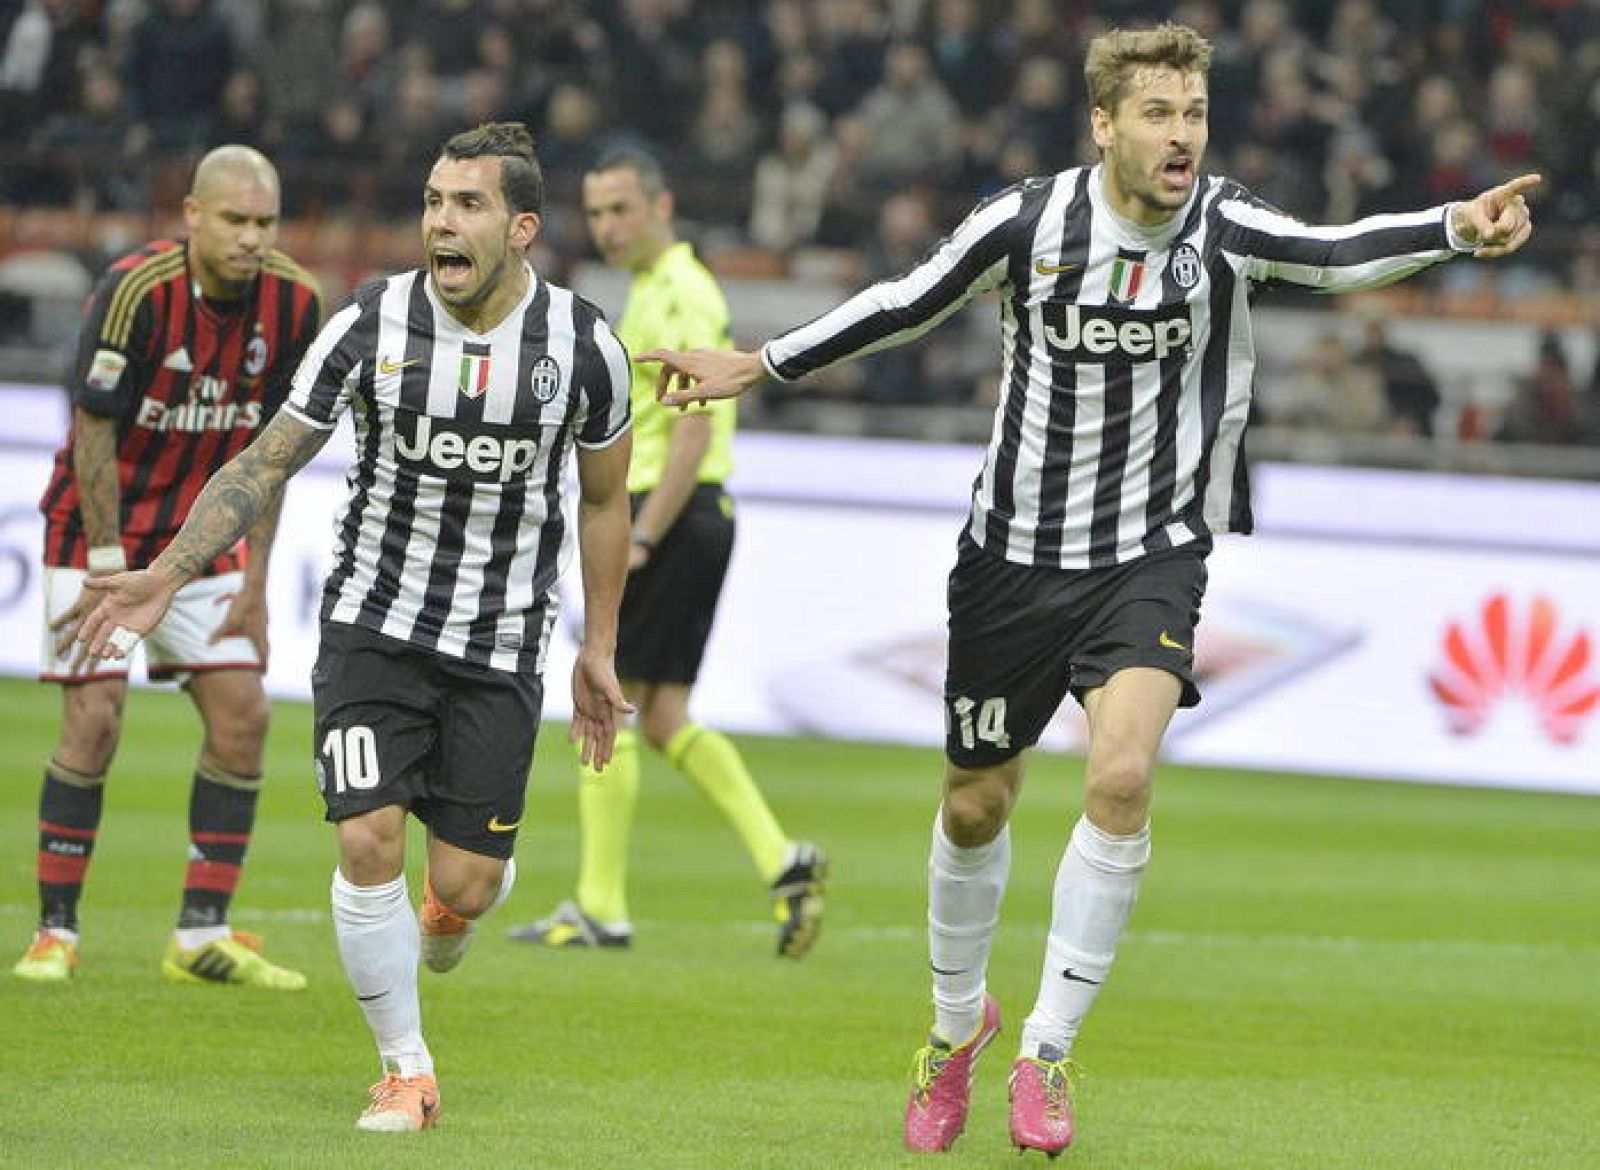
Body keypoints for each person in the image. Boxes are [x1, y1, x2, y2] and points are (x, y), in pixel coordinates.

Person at [646, 23, 1537, 1159]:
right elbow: (904, 300)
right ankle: (952, 1028)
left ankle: (1049, 1049)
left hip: (1151, 552)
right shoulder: (1027, 222)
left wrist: (1456, 227)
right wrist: (758, 365)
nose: (1181, 137)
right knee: (975, 805)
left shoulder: (1221, 224)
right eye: (1158, 115)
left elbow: (1332, 250)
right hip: (1011, 554)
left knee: (1119, 776)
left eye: (1194, 114)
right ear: (1104, 125)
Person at [73, 122, 636, 1133]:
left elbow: (603, 502)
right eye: (431, 202)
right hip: (371, 625)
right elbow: (263, 462)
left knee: (464, 886)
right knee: (368, 839)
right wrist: (170, 569)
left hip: (500, 645)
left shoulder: (586, 348)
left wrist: (597, 647)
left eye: (465, 205)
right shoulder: (367, 323)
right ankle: (404, 1068)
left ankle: (447, 911)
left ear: (521, 227)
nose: (440, 223)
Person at [16, 144, 322, 990]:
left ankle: (200, 936)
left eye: (265, 222)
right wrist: (110, 567)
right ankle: (56, 932)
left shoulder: (296, 302)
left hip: (202, 539)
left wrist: (257, 584)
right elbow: (94, 432)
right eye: (235, 220)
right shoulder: (135, 294)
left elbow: (276, 456)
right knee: (95, 719)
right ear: (191, 215)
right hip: (95, 531)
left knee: (245, 718)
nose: (253, 238)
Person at [510, 147, 826, 957]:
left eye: (621, 209)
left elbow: (694, 424)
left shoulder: (683, 289)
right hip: (693, 516)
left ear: (661, 204)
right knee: (660, 716)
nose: (608, 226)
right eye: (598, 211)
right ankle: (780, 859)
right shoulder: (658, 288)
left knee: (604, 700)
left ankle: (601, 904)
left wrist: (644, 533)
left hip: (667, 513)